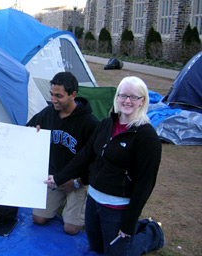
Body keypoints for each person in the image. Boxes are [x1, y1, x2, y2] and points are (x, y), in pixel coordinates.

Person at [46, 76, 165, 255]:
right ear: (116, 97)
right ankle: (133, 230)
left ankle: (151, 233)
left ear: (142, 101)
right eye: (123, 95)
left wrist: (129, 222)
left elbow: (145, 183)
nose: (127, 101)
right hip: (94, 202)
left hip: (117, 208)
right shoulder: (106, 124)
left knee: (118, 251)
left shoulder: (146, 137)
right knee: (97, 248)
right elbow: (85, 154)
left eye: (133, 97)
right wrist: (58, 178)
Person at [26, 72, 98, 235]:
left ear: (73, 94)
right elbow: (28, 129)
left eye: (59, 96)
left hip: (77, 181)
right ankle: (61, 201)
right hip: (53, 177)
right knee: (39, 219)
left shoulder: (90, 123)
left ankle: (81, 203)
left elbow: (96, 161)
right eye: (51, 94)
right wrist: (31, 132)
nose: (53, 100)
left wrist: (79, 182)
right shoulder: (47, 113)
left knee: (71, 229)